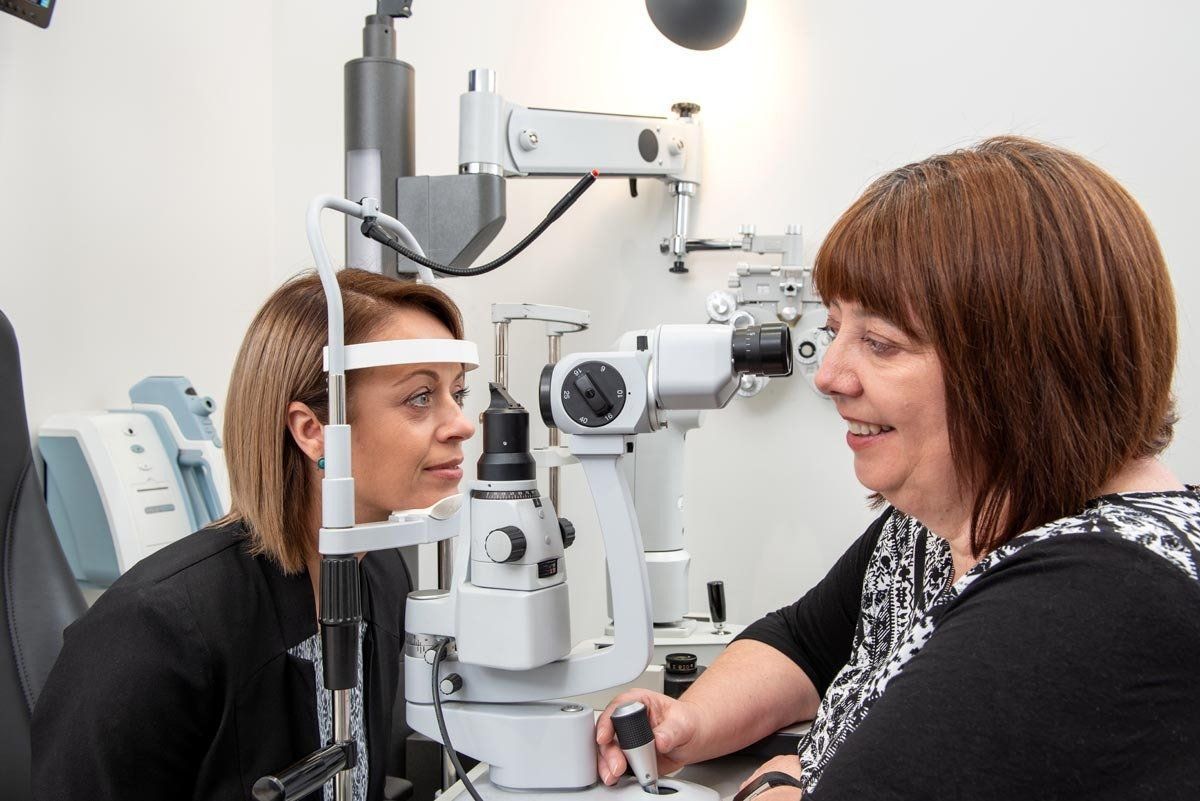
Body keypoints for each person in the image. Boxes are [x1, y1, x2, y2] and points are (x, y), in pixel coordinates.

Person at [596, 136, 1200, 799]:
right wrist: (691, 720)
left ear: (1021, 370)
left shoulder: (1088, 598)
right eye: (834, 332)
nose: (827, 376)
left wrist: (777, 778)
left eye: (880, 343)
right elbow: (805, 641)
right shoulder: (956, 518)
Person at [32, 269, 476, 800]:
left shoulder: (381, 573)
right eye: (421, 397)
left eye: (457, 393)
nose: (461, 424)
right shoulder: (150, 633)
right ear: (313, 430)